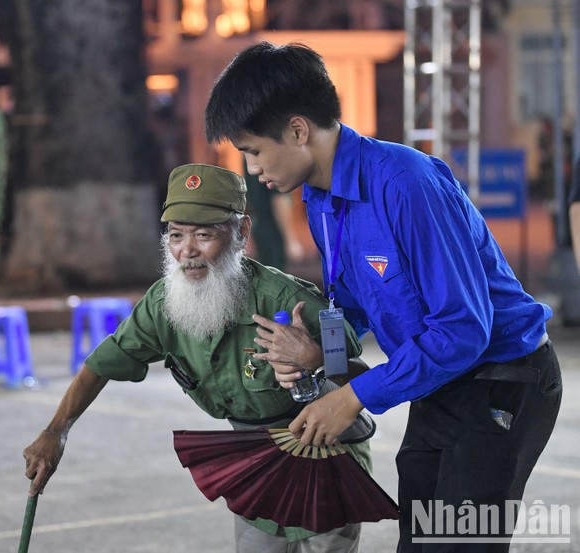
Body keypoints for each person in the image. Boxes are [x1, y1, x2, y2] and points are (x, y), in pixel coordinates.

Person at [205, 42, 562, 552]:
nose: (252, 169)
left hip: (502, 381)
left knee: (460, 544)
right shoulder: (321, 199)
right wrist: (313, 352)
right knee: (418, 541)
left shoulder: (405, 183)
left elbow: (463, 330)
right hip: (437, 380)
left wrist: (352, 397)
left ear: (298, 130)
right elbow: (351, 303)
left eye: (254, 151)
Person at [23, 163, 378, 553]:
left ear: (241, 232)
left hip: (326, 452)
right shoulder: (164, 305)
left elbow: (357, 379)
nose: (187, 252)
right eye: (176, 236)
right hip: (256, 457)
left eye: (204, 235)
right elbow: (102, 364)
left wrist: (313, 361)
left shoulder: (288, 302)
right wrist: (56, 431)